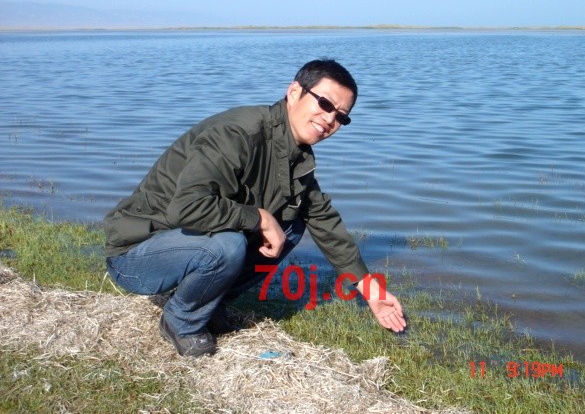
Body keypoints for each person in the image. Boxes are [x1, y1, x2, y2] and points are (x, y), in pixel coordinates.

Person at [104, 59, 406, 357]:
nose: (330, 119)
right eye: (325, 104)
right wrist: (259, 218)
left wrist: (372, 291)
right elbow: (186, 207)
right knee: (227, 245)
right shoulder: (238, 133)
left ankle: (209, 303)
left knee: (290, 225)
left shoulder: (297, 154)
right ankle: (180, 321)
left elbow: (324, 220)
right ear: (294, 92)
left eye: (341, 116)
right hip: (136, 255)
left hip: (185, 246)